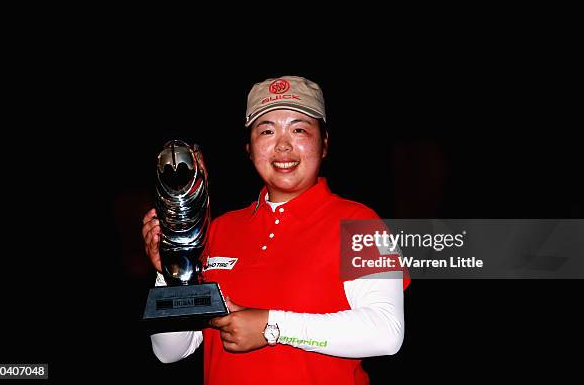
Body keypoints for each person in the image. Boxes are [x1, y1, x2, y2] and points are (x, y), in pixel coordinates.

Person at [141, 75, 410, 384]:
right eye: (266, 130)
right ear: (248, 147)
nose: (283, 144)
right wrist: (173, 273)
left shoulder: (362, 223)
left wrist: (273, 327)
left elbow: (387, 333)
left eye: (299, 129)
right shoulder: (219, 229)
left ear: (324, 144)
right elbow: (170, 351)